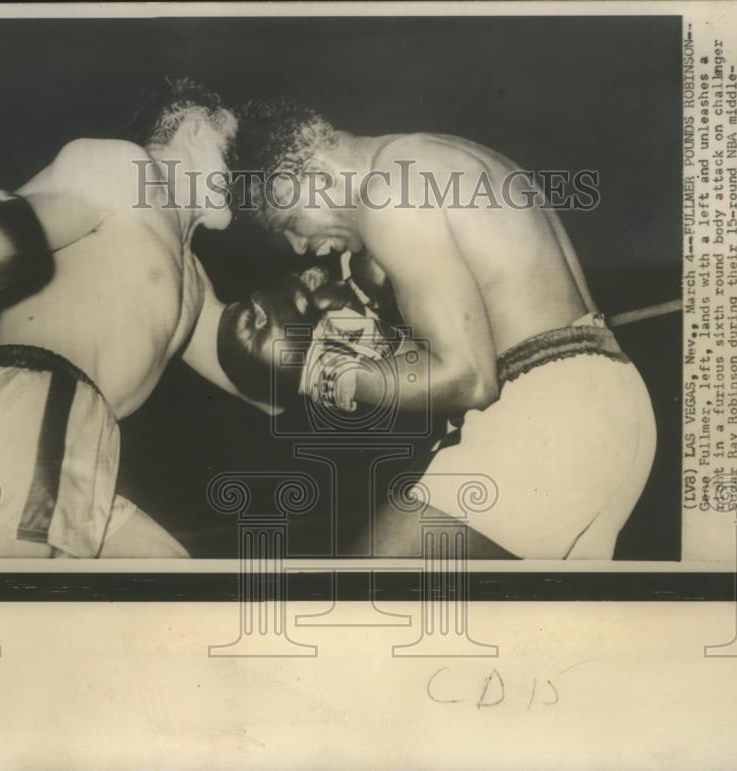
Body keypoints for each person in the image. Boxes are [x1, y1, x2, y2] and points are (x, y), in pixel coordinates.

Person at [234, 100, 657, 559]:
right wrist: (380, 342)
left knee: (354, 595)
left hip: (551, 417)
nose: (298, 246)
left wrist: (322, 372)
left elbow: (468, 379)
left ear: (314, 179)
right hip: (605, 399)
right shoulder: (433, 156)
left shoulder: (387, 194)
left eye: (287, 223)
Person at [0, 79, 272, 558]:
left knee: (176, 588)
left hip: (85, 448)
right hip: (30, 415)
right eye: (235, 145)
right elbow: (0, 234)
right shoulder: (122, 168)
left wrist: (334, 348)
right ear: (195, 130)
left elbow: (266, 387)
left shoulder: (194, 281)